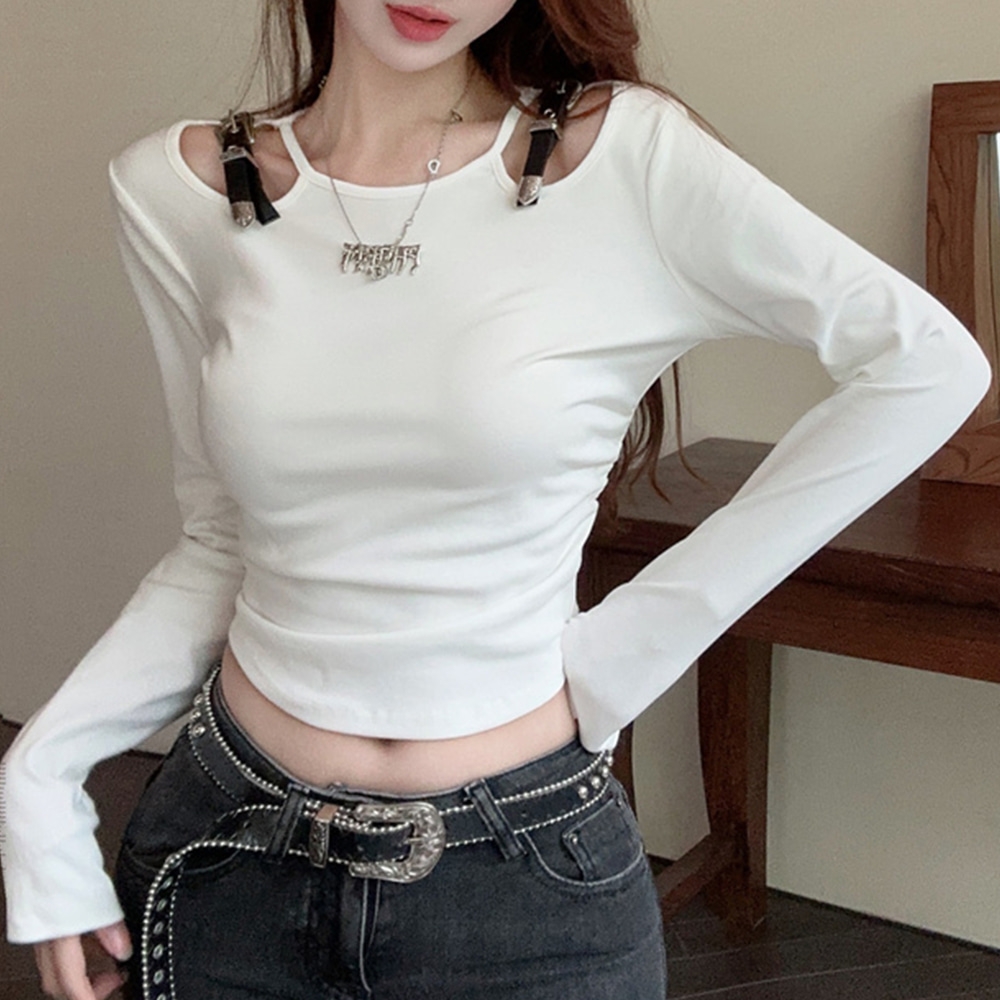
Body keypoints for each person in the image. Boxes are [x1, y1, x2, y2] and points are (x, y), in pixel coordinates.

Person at [0, 1, 991, 998]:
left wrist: (625, 651)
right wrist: (38, 777)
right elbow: (222, 538)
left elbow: (924, 365)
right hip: (228, 852)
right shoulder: (176, 189)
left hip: (523, 884)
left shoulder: (623, 158)